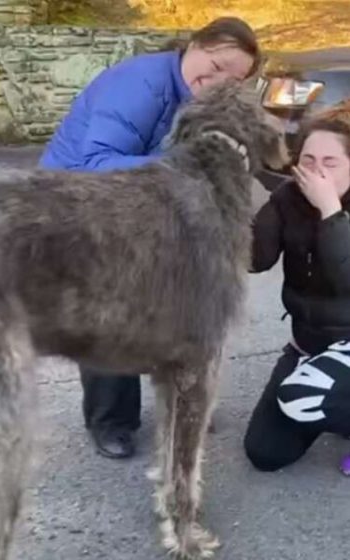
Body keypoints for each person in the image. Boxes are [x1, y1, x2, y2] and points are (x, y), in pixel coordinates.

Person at [39, 17, 261, 459]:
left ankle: (184, 399)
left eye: (231, 80)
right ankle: (111, 420)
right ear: (195, 44)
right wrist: (182, 169)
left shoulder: (199, 98)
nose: (216, 82)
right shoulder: (142, 85)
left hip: (149, 209)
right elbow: (97, 160)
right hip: (81, 204)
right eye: (214, 65)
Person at [245, 117, 350, 473]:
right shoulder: (288, 197)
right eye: (308, 160)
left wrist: (331, 211)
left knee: (316, 397)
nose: (317, 171)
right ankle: (332, 398)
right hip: (309, 343)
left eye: (330, 162)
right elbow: (255, 259)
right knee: (266, 452)